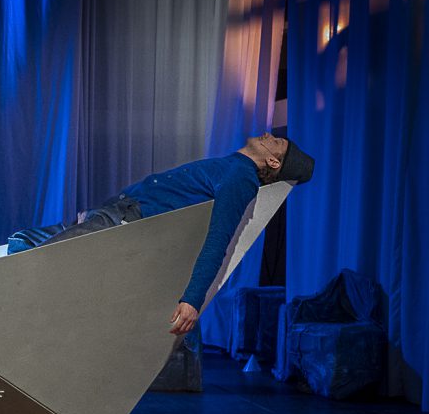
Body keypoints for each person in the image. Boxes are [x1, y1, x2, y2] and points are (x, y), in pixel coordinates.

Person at [36, 133, 315, 336]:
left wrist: (192, 300)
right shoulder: (233, 166)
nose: (268, 135)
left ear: (273, 162)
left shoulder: (241, 177)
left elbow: (218, 239)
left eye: (276, 142)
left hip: (120, 223)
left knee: (40, 261)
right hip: (110, 213)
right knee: (25, 246)